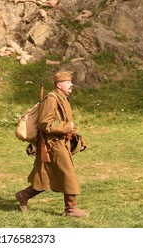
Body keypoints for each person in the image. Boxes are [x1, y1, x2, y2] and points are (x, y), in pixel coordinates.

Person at [15, 71, 88, 217]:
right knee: (68, 174)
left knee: (47, 176)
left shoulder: (63, 98)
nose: (71, 85)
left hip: (61, 142)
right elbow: (45, 123)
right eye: (68, 82)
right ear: (59, 85)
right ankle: (71, 209)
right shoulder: (51, 99)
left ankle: (24, 195)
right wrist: (68, 127)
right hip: (53, 144)